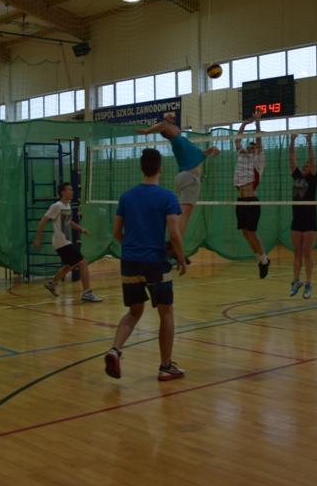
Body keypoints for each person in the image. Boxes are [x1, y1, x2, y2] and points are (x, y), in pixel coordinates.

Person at [104, 148, 186, 382]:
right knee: (166, 312)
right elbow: (174, 233)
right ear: (160, 168)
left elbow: (116, 232)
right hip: (155, 262)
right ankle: (165, 366)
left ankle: (115, 350)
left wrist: (132, 247)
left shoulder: (127, 197)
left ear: (141, 168)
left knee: (134, 311)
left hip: (129, 261)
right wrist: (181, 258)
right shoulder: (168, 197)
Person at [136, 113, 219, 261]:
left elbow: (200, 155)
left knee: (184, 214)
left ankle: (173, 245)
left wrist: (211, 150)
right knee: (184, 215)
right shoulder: (176, 140)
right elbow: (163, 126)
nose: (175, 124)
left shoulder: (185, 143)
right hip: (190, 179)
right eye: (172, 124)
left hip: (186, 178)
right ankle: (172, 246)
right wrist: (150, 129)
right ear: (169, 131)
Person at [32, 182, 102, 302]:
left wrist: (81, 229)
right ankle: (87, 293)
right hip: (61, 242)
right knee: (83, 263)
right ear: (63, 192)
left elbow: (68, 222)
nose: (72, 191)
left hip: (65, 241)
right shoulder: (57, 206)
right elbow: (43, 221)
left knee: (69, 265)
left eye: (72, 189)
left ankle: (52, 283)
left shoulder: (67, 206)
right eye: (69, 189)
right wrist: (38, 238)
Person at [234, 115, 270, 278]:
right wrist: (243, 124)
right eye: (250, 146)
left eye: (254, 147)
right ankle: (261, 259)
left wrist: (257, 123)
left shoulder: (258, 161)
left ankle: (264, 260)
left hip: (251, 201)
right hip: (241, 200)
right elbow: (237, 140)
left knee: (251, 233)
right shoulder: (242, 155)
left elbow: (259, 141)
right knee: (245, 233)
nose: (252, 148)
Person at [288, 133, 317, 299]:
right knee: (297, 252)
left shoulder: (313, 179)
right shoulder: (297, 177)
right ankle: (296, 281)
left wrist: (310, 141)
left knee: (307, 252)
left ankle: (309, 283)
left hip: (310, 221)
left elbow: (312, 159)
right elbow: (291, 159)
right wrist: (292, 141)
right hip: (297, 220)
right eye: (305, 165)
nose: (307, 166)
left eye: (309, 165)